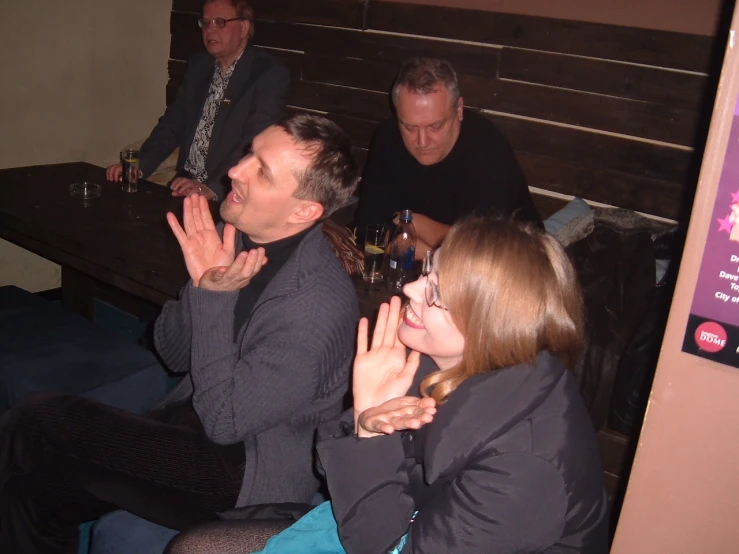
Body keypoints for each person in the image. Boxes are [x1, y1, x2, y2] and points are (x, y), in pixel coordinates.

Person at [0, 113, 360, 553]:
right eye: (250, 152)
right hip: (193, 422)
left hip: (243, 475)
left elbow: (225, 423)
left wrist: (211, 297)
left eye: (260, 170)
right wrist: (201, 284)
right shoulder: (242, 239)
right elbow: (170, 352)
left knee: (39, 418)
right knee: (32, 494)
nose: (234, 169)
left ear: (304, 211)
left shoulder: (315, 307)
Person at [165, 217, 610, 553]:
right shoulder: (448, 361)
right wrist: (365, 420)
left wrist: (368, 431)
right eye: (429, 269)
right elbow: (332, 470)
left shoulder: (524, 471)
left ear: (491, 327)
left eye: (437, 293)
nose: (414, 289)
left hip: (392, 538)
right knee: (192, 545)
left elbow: (388, 544)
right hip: (385, 520)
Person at [355, 57, 542, 258]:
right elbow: (368, 234)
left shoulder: (487, 151)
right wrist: (429, 252)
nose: (422, 141)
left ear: (459, 110)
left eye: (435, 126)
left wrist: (415, 223)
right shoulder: (388, 137)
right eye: (409, 127)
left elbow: (482, 252)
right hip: (427, 264)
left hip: (517, 265)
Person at [106, 0, 290, 202]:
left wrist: (211, 187)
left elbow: (254, 143)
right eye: (205, 22)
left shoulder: (268, 74)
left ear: (244, 27)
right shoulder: (199, 65)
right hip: (184, 184)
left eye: (219, 22)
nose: (209, 30)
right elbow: (173, 123)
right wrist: (139, 167)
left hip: (229, 192)